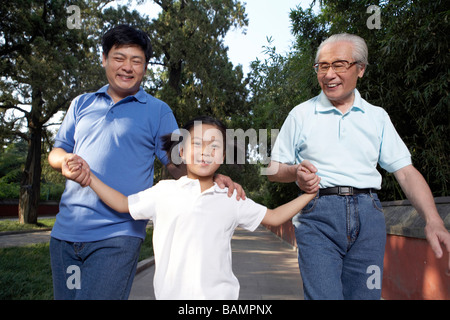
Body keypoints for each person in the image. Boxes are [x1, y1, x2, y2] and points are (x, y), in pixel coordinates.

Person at [47, 25, 243, 300]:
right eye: (119, 58)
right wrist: (65, 160)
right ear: (104, 59)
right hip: (66, 233)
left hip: (118, 234)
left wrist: (209, 180)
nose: (127, 67)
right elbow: (56, 152)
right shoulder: (81, 104)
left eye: (136, 60)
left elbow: (178, 163)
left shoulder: (158, 111)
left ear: (145, 67)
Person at [267, 33, 450, 300]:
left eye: (339, 64)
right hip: (317, 215)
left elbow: (405, 172)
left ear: (360, 69)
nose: (329, 74)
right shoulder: (301, 114)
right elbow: (273, 169)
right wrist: (295, 172)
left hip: (369, 218)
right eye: (323, 66)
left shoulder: (377, 117)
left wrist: (433, 220)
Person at [66, 116, 316, 300]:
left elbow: (273, 217)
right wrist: (90, 177)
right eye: (197, 144)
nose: (205, 152)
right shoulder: (164, 191)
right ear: (182, 152)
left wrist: (309, 194)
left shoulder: (230, 197)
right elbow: (122, 203)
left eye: (214, 146)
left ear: (223, 156)